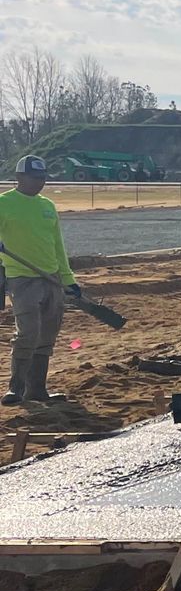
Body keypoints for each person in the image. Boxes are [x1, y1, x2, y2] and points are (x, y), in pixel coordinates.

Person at [0, 155, 80, 407]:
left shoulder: (47, 206)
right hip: (22, 278)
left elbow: (58, 245)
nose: (40, 183)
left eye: (43, 178)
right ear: (19, 177)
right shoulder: (4, 203)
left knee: (46, 335)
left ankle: (37, 390)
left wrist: (68, 279)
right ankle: (16, 388)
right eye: (35, 177)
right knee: (28, 332)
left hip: (52, 278)